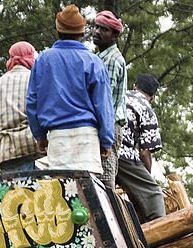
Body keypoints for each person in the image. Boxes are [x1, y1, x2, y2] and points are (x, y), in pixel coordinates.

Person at [26, 5, 114, 174]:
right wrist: (106, 140)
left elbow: (32, 101)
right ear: (82, 33)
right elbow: (103, 105)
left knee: (61, 195)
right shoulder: (93, 61)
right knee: (88, 196)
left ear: (58, 30)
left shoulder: (43, 60)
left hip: (57, 137)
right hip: (87, 138)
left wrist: (40, 136)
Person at [116, 74, 166, 222]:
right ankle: (160, 227)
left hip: (99, 146)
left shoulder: (120, 95)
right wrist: (147, 175)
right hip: (122, 152)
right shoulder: (146, 109)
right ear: (153, 97)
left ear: (135, 86)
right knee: (153, 193)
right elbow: (144, 153)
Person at [0, 41, 41, 173]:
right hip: (32, 150)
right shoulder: (35, 79)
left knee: (16, 193)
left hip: (5, 154)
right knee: (38, 193)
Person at [92, 9, 127, 188]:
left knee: (105, 179)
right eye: (96, 27)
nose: (97, 31)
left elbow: (106, 100)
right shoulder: (99, 57)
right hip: (104, 121)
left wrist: (105, 134)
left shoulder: (111, 60)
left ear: (114, 36)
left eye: (103, 29)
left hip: (108, 123)